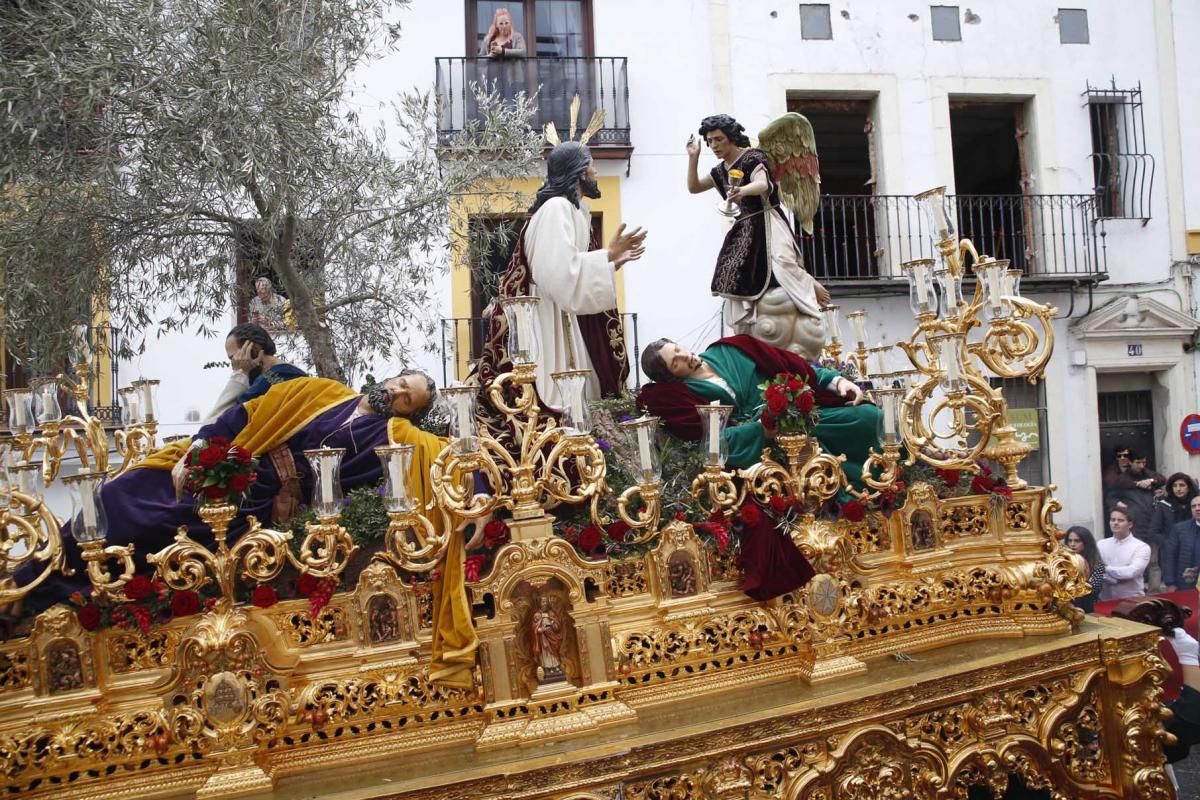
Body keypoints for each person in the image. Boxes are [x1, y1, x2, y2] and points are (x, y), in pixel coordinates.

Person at [23, 374, 479, 686]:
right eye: (400, 383)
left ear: (410, 413)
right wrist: (199, 447)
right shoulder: (317, 391)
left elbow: (444, 456)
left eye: (407, 398)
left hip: (258, 508)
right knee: (121, 496)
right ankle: (42, 573)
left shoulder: (390, 434)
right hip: (228, 459)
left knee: (160, 530)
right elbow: (247, 413)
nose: (397, 393)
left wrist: (474, 494)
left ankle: (74, 594)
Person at [475, 142, 646, 431]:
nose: (596, 170)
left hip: (564, 316)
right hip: (547, 319)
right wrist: (606, 256)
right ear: (579, 172)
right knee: (556, 401)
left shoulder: (576, 210)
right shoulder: (556, 209)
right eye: (591, 163)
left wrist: (610, 262)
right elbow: (558, 275)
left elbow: (571, 268)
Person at [637, 335, 881, 487]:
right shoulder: (682, 395)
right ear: (670, 375)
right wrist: (762, 428)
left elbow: (790, 365)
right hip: (760, 442)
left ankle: (887, 476)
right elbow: (714, 439)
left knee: (869, 418)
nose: (684, 356)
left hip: (800, 418)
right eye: (675, 362)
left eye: (677, 349)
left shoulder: (730, 350)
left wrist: (838, 382)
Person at [686, 114, 831, 360]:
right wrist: (693, 158)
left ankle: (808, 283)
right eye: (710, 141)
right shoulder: (720, 171)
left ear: (731, 137)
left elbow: (762, 184)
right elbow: (694, 187)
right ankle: (749, 317)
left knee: (783, 261)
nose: (715, 146)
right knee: (731, 271)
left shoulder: (753, 157)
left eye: (719, 139)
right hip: (743, 225)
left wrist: (741, 190)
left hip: (766, 218)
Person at [203, 323, 307, 423]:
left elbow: (215, 423)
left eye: (234, 358)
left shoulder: (275, 377)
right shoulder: (280, 373)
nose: (234, 365)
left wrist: (240, 373)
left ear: (254, 349)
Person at [1097, 505, 1151, 600]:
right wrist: (1114, 577)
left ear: (1130, 524)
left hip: (1133, 601)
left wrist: (1106, 569)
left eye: (1120, 520)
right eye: (1113, 520)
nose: (1115, 523)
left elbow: (1131, 572)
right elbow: (1095, 571)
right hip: (1105, 600)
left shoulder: (1141, 547)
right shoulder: (1101, 544)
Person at [1064, 526, 1106, 614]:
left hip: (1088, 609)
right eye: (1070, 540)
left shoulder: (1096, 563)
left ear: (1086, 543)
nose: (1072, 544)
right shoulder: (1062, 561)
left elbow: (1093, 588)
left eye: (1077, 541)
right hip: (1066, 607)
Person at [1163, 496, 1200, 592]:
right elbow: (1170, 556)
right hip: (1186, 585)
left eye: (1199, 505)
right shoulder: (1179, 529)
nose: (1197, 508)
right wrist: (1170, 582)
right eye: (1193, 506)